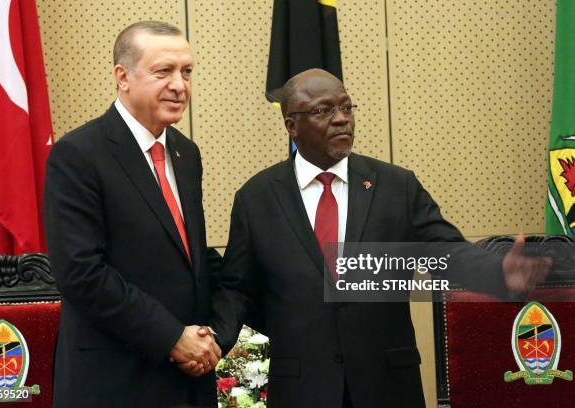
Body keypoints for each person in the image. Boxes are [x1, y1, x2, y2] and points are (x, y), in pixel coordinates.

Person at [208, 68, 550, 407]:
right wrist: (213, 340)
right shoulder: (258, 198)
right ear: (291, 126)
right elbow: (239, 288)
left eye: (346, 107)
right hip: (302, 388)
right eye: (323, 111)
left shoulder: (395, 186)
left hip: (387, 385)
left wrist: (497, 271)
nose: (342, 119)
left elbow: (446, 252)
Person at [43, 21, 221, 407]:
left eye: (187, 71)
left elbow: (190, 258)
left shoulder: (186, 154)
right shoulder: (78, 155)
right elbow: (82, 274)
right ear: (122, 77)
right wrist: (172, 337)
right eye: (164, 71)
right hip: (114, 382)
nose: (179, 85)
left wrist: (214, 333)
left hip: (187, 383)